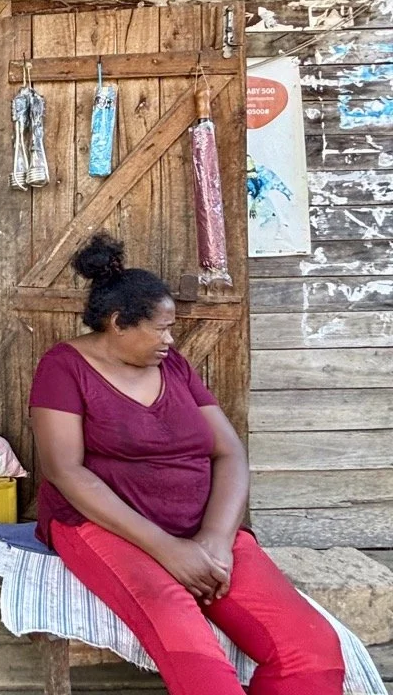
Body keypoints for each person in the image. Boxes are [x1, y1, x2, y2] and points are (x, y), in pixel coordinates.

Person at [28, 233, 344, 695]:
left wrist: (215, 541)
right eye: (161, 328)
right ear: (118, 323)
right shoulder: (64, 367)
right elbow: (65, 471)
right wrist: (166, 548)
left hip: (201, 527)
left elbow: (229, 452)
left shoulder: (173, 367)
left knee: (312, 651)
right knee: (198, 663)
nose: (170, 339)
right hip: (104, 525)